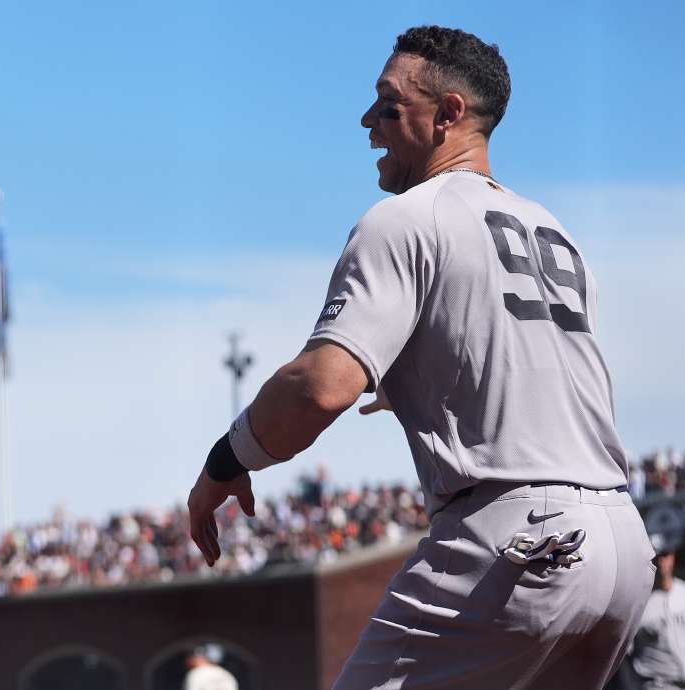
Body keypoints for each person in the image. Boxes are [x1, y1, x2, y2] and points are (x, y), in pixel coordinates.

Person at [186, 25, 653, 689]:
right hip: (621, 542)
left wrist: (224, 462)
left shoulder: (406, 217)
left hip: (517, 533)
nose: (368, 121)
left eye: (388, 104)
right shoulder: (557, 231)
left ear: (450, 114)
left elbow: (321, 387)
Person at [623, 512, 685, 688]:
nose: (662, 561)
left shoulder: (683, 592)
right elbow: (624, 657)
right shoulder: (640, 603)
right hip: (656, 684)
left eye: (666, 555)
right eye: (658, 556)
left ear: (673, 556)